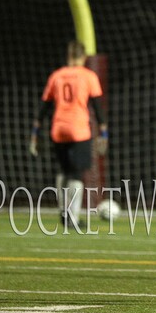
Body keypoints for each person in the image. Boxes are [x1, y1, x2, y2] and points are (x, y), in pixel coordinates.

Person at [30, 40, 108, 231]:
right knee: (77, 174)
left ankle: (63, 213)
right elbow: (98, 108)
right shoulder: (88, 76)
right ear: (83, 57)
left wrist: (35, 135)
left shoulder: (56, 76)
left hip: (58, 130)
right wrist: (103, 134)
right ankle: (72, 217)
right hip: (78, 129)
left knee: (63, 172)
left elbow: (43, 109)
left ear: (68, 56)